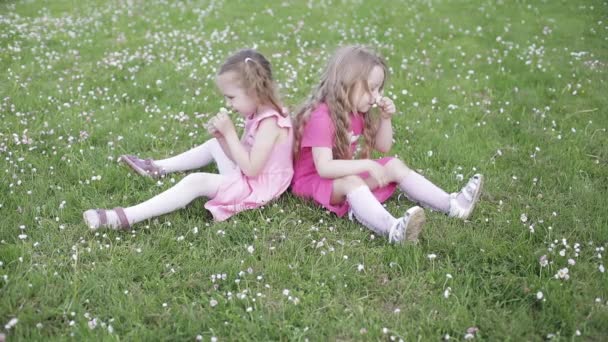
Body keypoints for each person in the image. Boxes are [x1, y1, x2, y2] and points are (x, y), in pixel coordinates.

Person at [291, 45, 483, 243]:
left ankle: (452, 205)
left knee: (393, 165)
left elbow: (383, 147)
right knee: (352, 182)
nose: (376, 97)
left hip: (340, 178)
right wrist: (366, 164)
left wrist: (385, 118)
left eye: (379, 89)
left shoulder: (357, 113)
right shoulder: (322, 117)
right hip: (311, 184)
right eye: (371, 88)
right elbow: (324, 168)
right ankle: (393, 229)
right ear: (347, 83)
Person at [83, 49, 293, 230]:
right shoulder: (258, 112)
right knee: (213, 145)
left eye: (231, 97)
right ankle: (156, 167)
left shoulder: (270, 124)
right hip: (250, 178)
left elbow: (251, 169)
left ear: (255, 91)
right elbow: (241, 158)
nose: (229, 104)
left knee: (196, 181)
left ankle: (123, 218)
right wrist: (222, 139)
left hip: (257, 190)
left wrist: (230, 135)